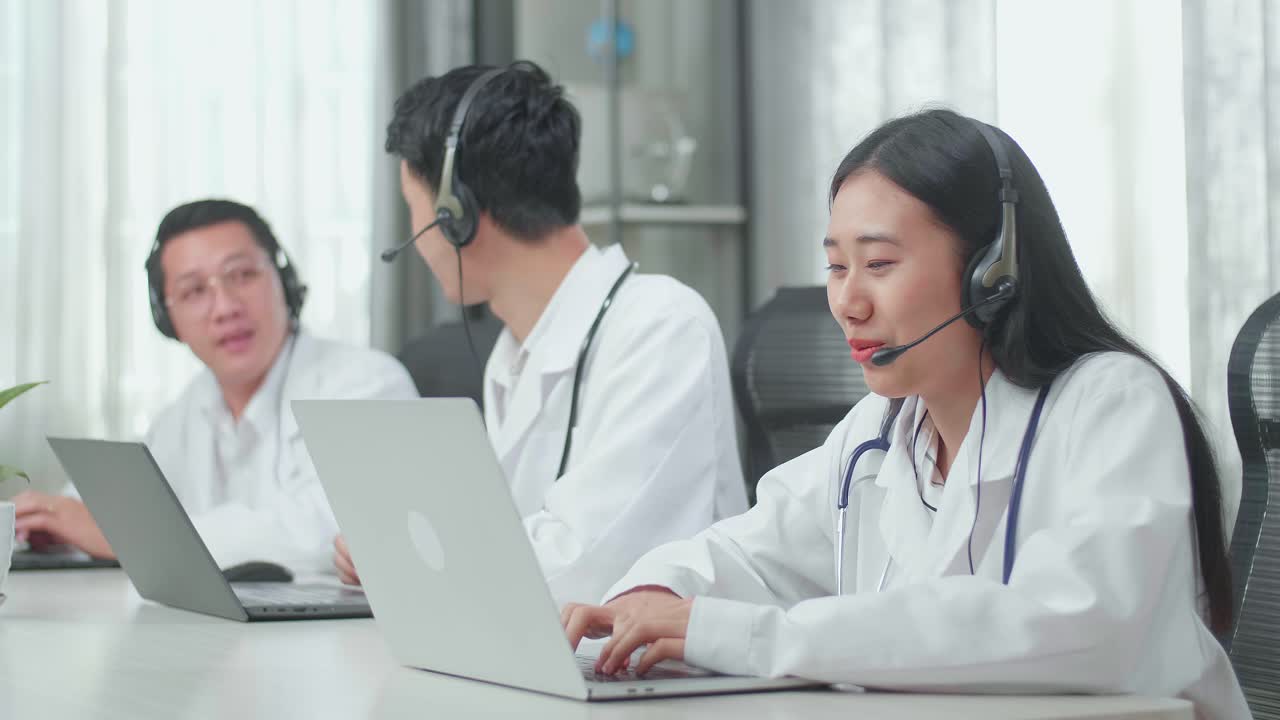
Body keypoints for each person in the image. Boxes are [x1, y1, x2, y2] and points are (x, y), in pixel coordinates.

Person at [561, 109, 1249, 719]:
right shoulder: (879, 433)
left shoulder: (1110, 404)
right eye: (836, 267)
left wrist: (745, 635)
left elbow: (1079, 624)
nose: (848, 303)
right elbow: (747, 551)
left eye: (879, 263)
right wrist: (652, 597)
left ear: (992, 272)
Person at [334, 61, 747, 607]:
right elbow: (508, 549)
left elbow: (592, 570)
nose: (416, 236)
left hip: (675, 683)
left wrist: (403, 556)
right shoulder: (511, 356)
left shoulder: (661, 326)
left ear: (455, 213)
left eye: (415, 212)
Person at [14, 199, 417, 574]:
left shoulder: (365, 382)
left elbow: (329, 531)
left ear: (284, 281)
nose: (225, 307)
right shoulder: (190, 408)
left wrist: (126, 537)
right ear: (167, 319)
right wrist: (55, 521)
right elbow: (124, 499)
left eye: (242, 275)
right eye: (193, 292)